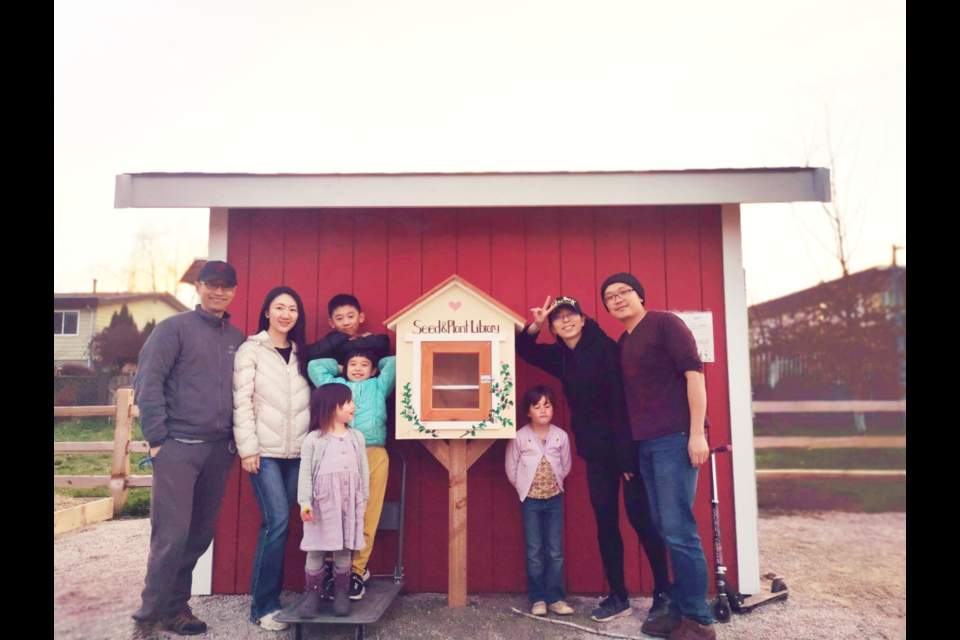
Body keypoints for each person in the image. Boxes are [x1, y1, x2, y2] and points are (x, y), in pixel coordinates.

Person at [516, 295, 671, 624]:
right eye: (558, 319)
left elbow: (621, 403)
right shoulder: (561, 356)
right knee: (606, 522)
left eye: (571, 315)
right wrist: (536, 325)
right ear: (555, 329)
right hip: (596, 453)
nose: (565, 320)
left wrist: (628, 457)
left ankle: (664, 593)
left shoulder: (605, 348)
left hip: (626, 450)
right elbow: (524, 348)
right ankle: (619, 597)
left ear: (583, 319)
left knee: (641, 520)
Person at [131, 261, 245, 640]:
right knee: (171, 534)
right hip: (178, 447)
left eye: (226, 286)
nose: (219, 292)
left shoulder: (236, 338)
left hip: (218, 450)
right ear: (198, 287)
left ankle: (176, 606)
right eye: (212, 284)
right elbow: (148, 382)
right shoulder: (172, 329)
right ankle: (151, 614)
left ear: (233, 291)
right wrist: (158, 439)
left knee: (199, 534)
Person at [600, 273, 716, 640]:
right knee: (667, 528)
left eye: (624, 292)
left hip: (676, 438)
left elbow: (694, 376)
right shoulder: (624, 341)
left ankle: (699, 621)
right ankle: (680, 610)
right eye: (609, 296)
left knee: (680, 530)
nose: (617, 299)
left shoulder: (665, 323)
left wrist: (697, 433)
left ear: (640, 295)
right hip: (646, 444)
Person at [232, 287, 312, 631]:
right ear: (267, 312)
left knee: (297, 519)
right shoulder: (251, 350)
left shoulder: (302, 354)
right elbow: (242, 401)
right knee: (276, 521)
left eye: (292, 309)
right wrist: (247, 447)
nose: (285, 314)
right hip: (263, 453)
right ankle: (263, 606)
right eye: (279, 307)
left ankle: (305, 595)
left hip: (299, 453)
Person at [308, 349, 396, 600]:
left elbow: (394, 363)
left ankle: (357, 571)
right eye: (353, 364)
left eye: (364, 364)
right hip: (338, 455)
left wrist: (374, 357)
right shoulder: (336, 386)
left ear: (374, 370)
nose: (358, 368)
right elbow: (315, 366)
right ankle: (337, 571)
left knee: (367, 515)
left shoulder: (379, 386)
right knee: (335, 514)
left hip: (373, 455)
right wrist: (339, 368)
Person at [293, 384, 370, 618]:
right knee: (316, 549)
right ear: (331, 406)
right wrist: (305, 504)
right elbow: (305, 474)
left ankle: (341, 595)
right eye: (347, 402)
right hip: (321, 504)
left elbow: (364, 472)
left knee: (344, 549)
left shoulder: (356, 437)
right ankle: (312, 595)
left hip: (348, 503)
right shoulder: (314, 440)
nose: (353, 406)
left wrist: (362, 501)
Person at [505, 386, 574, 617]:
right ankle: (538, 599)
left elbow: (565, 466)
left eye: (547, 405)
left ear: (553, 409)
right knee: (534, 551)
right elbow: (511, 467)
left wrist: (554, 484)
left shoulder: (560, 436)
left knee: (554, 551)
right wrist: (524, 487)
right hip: (531, 501)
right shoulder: (520, 437)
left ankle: (556, 598)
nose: (543, 410)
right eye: (537, 407)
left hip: (554, 500)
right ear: (528, 412)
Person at [306, 294, 390, 366]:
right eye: (339, 318)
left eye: (350, 317)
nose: (346, 323)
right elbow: (309, 353)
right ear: (332, 323)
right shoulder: (330, 341)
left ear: (361, 317)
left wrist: (362, 339)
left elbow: (384, 343)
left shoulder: (371, 340)